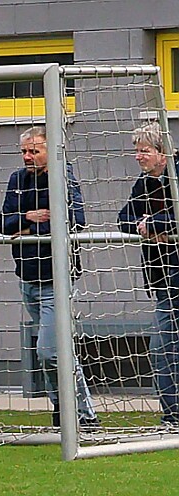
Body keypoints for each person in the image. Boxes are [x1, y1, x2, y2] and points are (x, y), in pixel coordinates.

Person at [0, 127, 100, 429]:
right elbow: (3, 222)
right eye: (24, 152)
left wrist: (29, 229)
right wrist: (27, 218)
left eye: (34, 151)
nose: (28, 157)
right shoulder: (17, 180)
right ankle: (67, 412)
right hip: (27, 277)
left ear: (49, 149)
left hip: (57, 279)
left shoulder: (63, 177)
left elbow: (76, 220)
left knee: (49, 351)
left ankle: (80, 414)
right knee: (56, 352)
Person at [117, 121, 179, 426]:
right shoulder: (144, 183)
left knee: (165, 345)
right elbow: (124, 218)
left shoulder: (176, 176)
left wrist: (156, 224)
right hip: (163, 278)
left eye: (144, 151)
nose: (138, 156)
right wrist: (145, 227)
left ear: (162, 153)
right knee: (163, 347)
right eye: (137, 151)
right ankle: (172, 414)